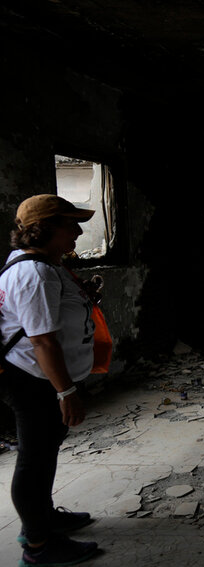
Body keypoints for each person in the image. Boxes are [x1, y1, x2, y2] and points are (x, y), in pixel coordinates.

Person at [0, 194, 100, 566]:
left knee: (45, 451)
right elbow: (41, 340)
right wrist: (67, 392)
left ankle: (43, 517)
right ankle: (38, 545)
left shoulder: (45, 266)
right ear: (45, 229)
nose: (77, 230)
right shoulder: (35, 273)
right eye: (69, 224)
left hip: (40, 376)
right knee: (34, 458)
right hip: (32, 378)